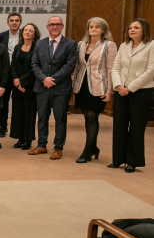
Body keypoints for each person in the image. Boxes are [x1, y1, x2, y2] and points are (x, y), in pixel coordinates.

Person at [29, 16, 77, 160]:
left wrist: (53, 79)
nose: (54, 27)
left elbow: (69, 65)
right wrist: (44, 78)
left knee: (60, 119)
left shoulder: (70, 44)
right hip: (42, 87)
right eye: (52, 24)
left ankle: (58, 148)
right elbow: (34, 64)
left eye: (57, 24)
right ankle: (41, 144)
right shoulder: (39, 44)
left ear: (62, 26)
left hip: (60, 89)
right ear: (47, 27)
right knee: (42, 117)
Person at [109, 18, 154, 173]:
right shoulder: (124, 46)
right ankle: (118, 159)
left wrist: (131, 87)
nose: (132, 30)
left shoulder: (151, 46)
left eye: (136, 27)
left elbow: (151, 71)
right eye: (130, 28)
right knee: (119, 125)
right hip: (121, 90)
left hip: (141, 92)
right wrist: (119, 86)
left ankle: (132, 161)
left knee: (136, 127)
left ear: (144, 30)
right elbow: (115, 68)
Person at [73, 17, 117, 163]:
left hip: (99, 86)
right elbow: (78, 66)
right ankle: (93, 147)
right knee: (87, 117)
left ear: (103, 29)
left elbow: (111, 68)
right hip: (82, 85)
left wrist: (109, 90)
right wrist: (74, 84)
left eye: (97, 27)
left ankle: (87, 151)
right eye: (91, 27)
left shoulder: (109, 45)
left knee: (92, 117)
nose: (93, 29)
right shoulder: (81, 44)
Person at [9, 24, 40, 151]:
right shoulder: (17, 47)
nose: (27, 32)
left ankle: (28, 140)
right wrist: (16, 81)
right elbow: (14, 65)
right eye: (26, 30)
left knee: (29, 114)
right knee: (18, 113)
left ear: (34, 34)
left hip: (30, 86)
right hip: (17, 87)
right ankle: (20, 138)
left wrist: (22, 81)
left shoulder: (37, 48)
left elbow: (35, 68)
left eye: (30, 31)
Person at [0, 13, 22, 138]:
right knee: (3, 102)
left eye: (17, 21)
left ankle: (17, 129)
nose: (14, 23)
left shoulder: (25, 35)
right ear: (8, 23)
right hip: (6, 73)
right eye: (11, 20)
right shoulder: (1, 36)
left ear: (20, 23)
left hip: (19, 74)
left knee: (18, 103)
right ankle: (3, 127)